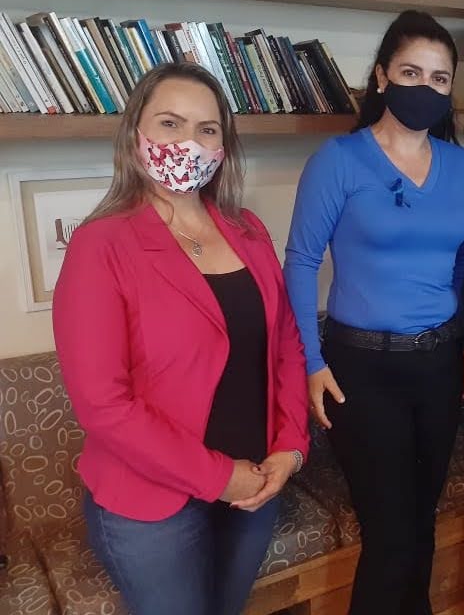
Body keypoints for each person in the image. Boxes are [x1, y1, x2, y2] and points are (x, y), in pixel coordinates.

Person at [52, 62, 310, 615]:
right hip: (152, 505)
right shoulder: (101, 245)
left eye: (206, 129)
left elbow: (285, 344)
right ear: (135, 133)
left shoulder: (248, 230)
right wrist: (219, 477)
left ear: (223, 146)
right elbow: (103, 405)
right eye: (170, 123)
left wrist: (290, 447)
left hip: (256, 483)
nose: (188, 142)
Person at [283, 10, 464, 615]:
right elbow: (300, 263)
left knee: (419, 523)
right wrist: (310, 362)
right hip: (361, 370)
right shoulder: (339, 160)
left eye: (440, 78)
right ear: (381, 76)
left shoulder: (460, 165)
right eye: (411, 72)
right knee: (391, 534)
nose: (426, 87)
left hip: (439, 364)